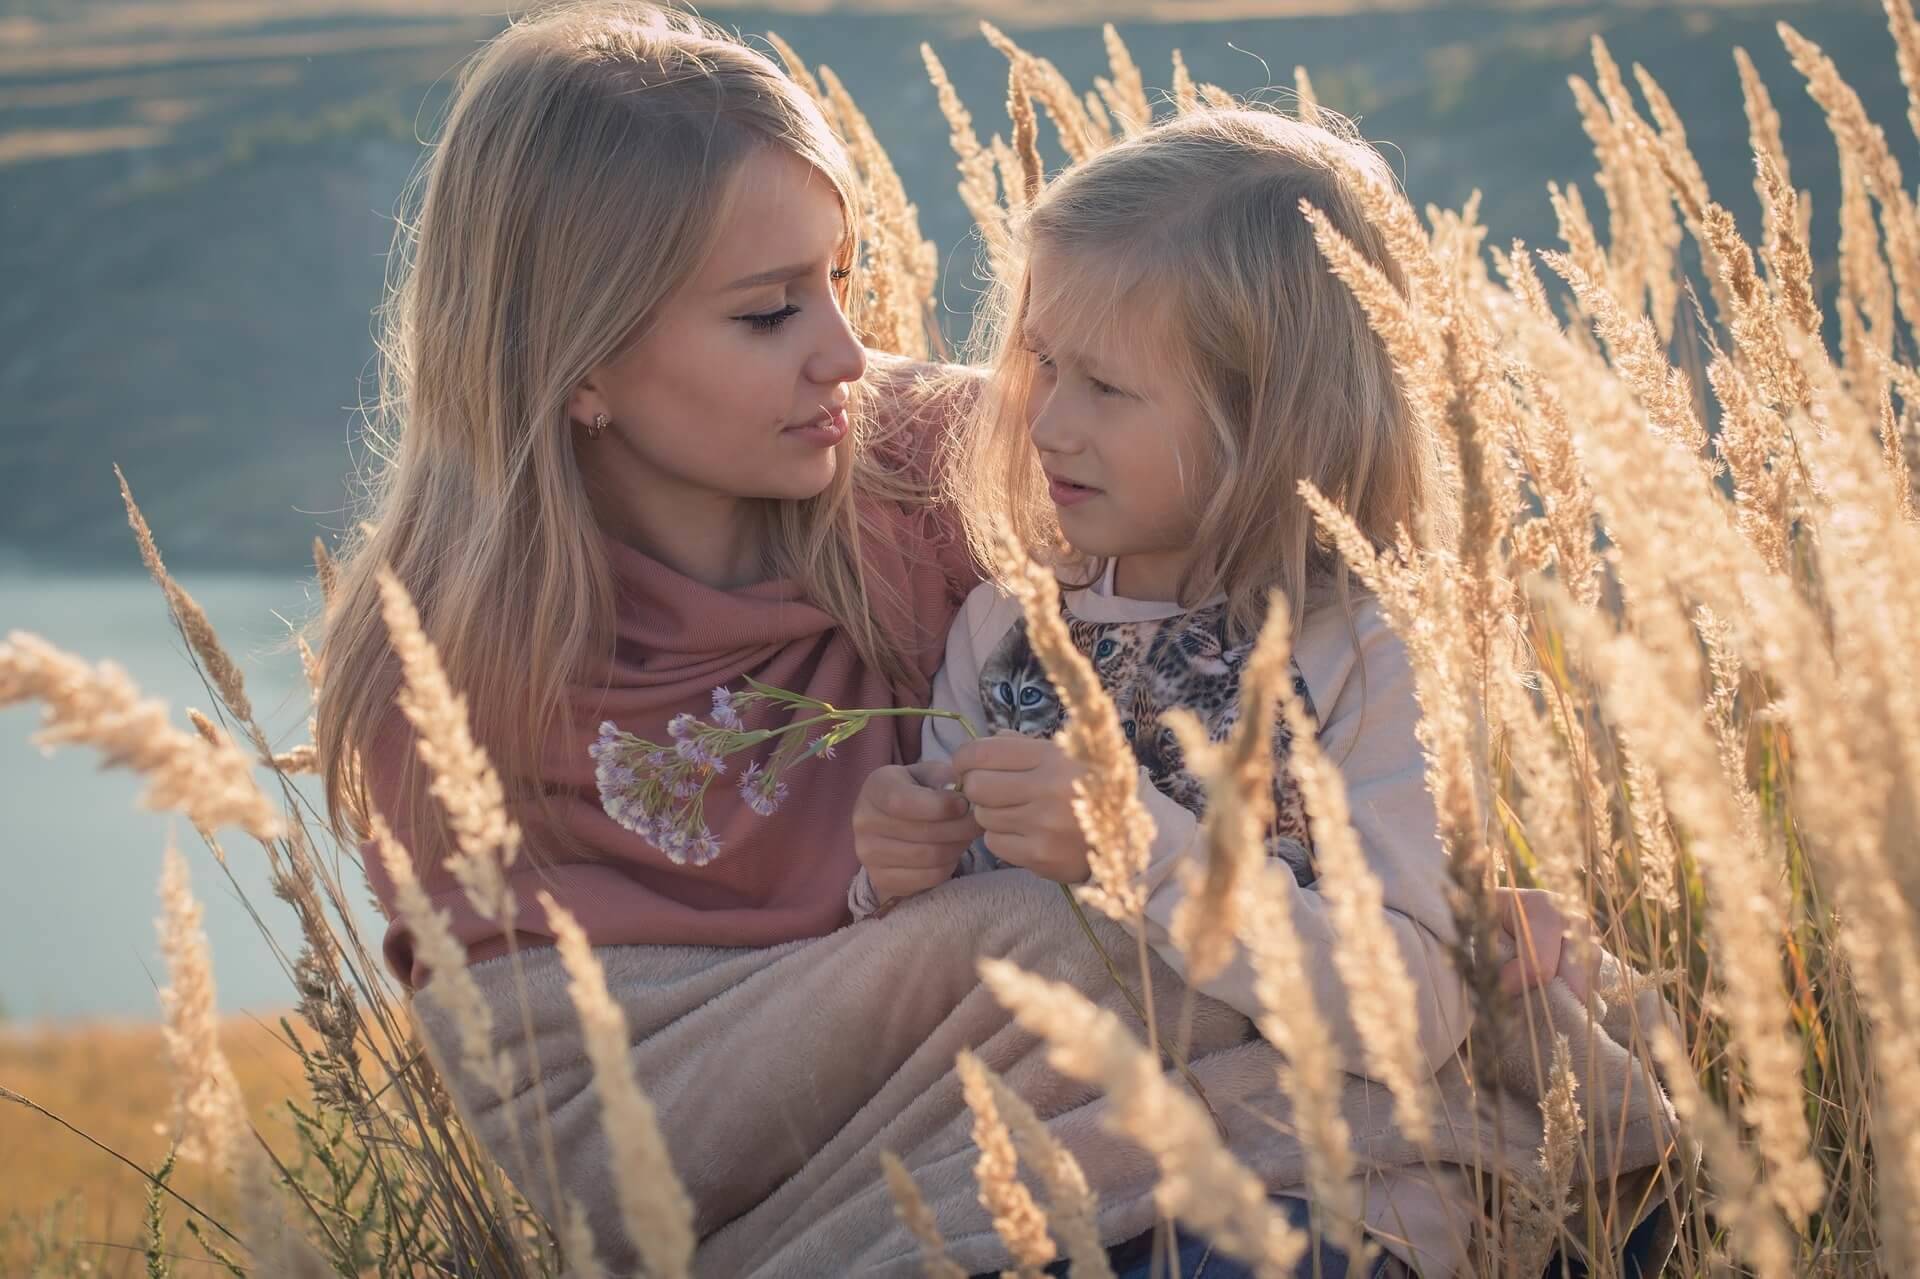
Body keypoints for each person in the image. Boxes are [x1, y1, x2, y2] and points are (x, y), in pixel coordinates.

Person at [311, 6, 1607, 1273]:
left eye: (843, 280)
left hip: (1089, 1110)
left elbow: (1265, 577)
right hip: (792, 1132)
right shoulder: (436, 668)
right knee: (1050, 942)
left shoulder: (945, 466)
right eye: (769, 312)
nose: (845, 352)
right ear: (575, 360)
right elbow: (576, 1113)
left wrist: (1402, 886)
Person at [847, 107, 1606, 1278]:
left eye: (1105, 384)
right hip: (1067, 1167)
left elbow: (1408, 1011)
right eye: (1042, 363)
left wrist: (1132, 839)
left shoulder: (1370, 653)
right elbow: (954, 972)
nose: (1048, 418)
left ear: (1270, 415)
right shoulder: (1010, 627)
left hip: (1309, 1182)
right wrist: (889, 876)